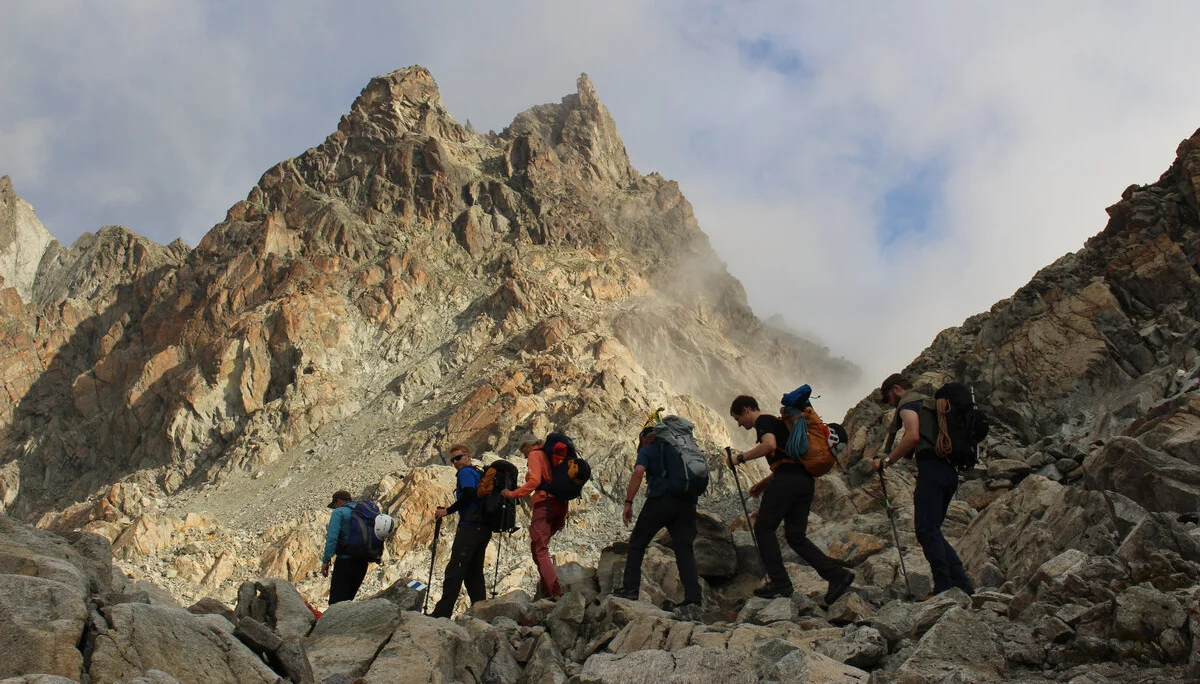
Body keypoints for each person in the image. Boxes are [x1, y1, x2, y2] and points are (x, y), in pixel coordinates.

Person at [729, 395, 855, 603]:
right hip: (804, 482)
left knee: (763, 527)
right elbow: (787, 461)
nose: (741, 425)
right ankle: (837, 575)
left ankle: (779, 581)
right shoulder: (780, 425)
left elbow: (769, 446)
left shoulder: (764, 421)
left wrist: (739, 458)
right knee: (796, 536)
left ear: (747, 409)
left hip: (787, 482)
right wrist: (763, 484)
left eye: (738, 419)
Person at [875, 374, 974, 596]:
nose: (889, 402)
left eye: (888, 396)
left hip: (932, 470)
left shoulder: (908, 403)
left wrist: (887, 461)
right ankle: (962, 585)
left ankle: (943, 587)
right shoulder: (929, 405)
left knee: (926, 530)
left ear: (897, 389)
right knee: (932, 530)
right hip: (948, 472)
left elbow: (912, 436)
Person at [613, 427, 703, 613]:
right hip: (687, 502)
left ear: (645, 438)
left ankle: (630, 589)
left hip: (661, 500)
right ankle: (694, 599)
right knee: (684, 548)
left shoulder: (648, 450)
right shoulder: (679, 450)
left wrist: (628, 502)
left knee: (637, 542)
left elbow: (638, 472)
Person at [430, 444, 493, 617]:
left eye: (459, 457)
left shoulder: (466, 473)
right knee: (474, 572)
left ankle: (441, 614)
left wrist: (447, 511)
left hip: (470, 527)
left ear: (468, 456)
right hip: (484, 528)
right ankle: (482, 612)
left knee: (455, 569)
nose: (456, 462)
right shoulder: (478, 473)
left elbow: (468, 495)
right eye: (453, 459)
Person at [502, 439, 567, 598]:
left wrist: (513, 494)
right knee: (537, 547)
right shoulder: (550, 456)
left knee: (539, 549)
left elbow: (535, 481)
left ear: (528, 446)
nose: (525, 457)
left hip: (544, 504)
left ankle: (554, 592)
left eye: (524, 453)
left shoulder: (535, 454)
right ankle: (546, 590)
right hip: (561, 505)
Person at [322, 489, 368, 604]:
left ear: (338, 501)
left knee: (336, 603)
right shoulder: (363, 512)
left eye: (334, 505)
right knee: (348, 601)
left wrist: (326, 560)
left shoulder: (339, 512)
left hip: (345, 562)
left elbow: (332, 538)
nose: (335, 508)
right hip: (363, 563)